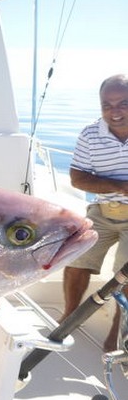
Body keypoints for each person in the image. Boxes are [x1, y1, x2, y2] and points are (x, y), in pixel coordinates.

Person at [62, 74, 128, 352]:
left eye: (123, 103)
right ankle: (69, 316)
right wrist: (120, 186)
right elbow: (77, 178)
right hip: (102, 210)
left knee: (126, 272)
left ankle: (118, 332)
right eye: (106, 105)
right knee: (76, 256)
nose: (114, 111)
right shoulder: (90, 134)